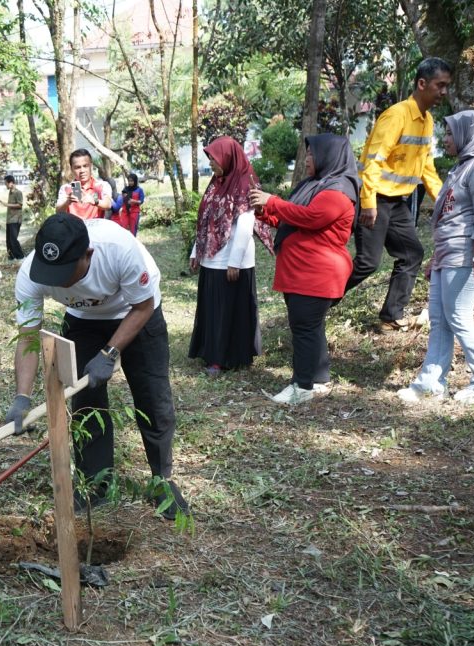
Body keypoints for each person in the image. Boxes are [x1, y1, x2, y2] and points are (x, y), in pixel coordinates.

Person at [6, 214, 190, 519]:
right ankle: (95, 484)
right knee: (86, 401)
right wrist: (22, 397)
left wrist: (109, 353)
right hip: (83, 321)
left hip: (135, 310)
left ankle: (162, 480)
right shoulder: (30, 273)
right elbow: (28, 335)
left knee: (152, 395)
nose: (56, 280)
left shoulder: (118, 249)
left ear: (88, 254)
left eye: (65, 272)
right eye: (50, 271)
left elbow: (143, 307)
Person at [397, 110, 474, 405]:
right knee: (439, 319)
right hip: (448, 255)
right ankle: (430, 384)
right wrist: (436, 257)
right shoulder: (463, 168)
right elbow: (450, 218)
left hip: (465, 255)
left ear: (470, 135)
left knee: (459, 317)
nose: (445, 139)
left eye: (450, 133)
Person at [249, 134, 360, 405]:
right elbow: (291, 218)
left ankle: (302, 386)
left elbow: (311, 218)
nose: (308, 159)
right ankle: (319, 379)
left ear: (329, 156)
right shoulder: (314, 185)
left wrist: (273, 201)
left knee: (304, 329)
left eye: (312, 154)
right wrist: (266, 211)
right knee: (310, 327)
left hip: (316, 273)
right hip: (302, 271)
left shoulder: (338, 190)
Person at [344, 57, 452, 332]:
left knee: (412, 252)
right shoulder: (397, 115)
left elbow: (426, 167)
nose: (444, 92)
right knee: (368, 262)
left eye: (447, 87)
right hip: (376, 198)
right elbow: (373, 161)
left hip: (398, 202)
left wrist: (443, 200)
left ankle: (392, 314)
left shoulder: (426, 121)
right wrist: (368, 203)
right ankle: (319, 302)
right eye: (440, 85)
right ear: (421, 83)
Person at [188, 137, 274, 377]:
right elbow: (204, 220)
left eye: (214, 158)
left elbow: (246, 225)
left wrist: (234, 261)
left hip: (232, 260)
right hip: (211, 259)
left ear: (228, 156)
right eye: (209, 158)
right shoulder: (216, 182)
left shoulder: (245, 183)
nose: (211, 163)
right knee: (214, 310)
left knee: (229, 310)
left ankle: (227, 357)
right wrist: (197, 251)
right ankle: (213, 354)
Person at [56, 149, 113, 220]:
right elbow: (58, 211)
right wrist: (67, 202)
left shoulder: (101, 185)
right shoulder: (66, 188)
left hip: (95, 228)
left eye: (85, 166)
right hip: (73, 228)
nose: (82, 171)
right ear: (71, 169)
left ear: (91, 166)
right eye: (77, 167)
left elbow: (108, 204)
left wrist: (94, 200)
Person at [0, 175, 25, 260]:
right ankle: (11, 257)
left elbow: (19, 205)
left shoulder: (18, 192)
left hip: (16, 219)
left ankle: (21, 257)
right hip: (9, 220)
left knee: (13, 240)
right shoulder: (10, 192)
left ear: (11, 183)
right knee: (8, 240)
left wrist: (6, 204)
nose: (5, 185)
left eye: (6, 183)